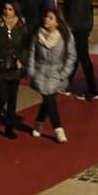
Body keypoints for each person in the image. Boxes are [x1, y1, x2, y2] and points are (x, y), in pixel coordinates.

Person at [26, 8, 77, 143]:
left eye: (50, 18)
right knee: (49, 98)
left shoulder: (65, 36)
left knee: (49, 100)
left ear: (57, 22)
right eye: (45, 17)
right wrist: (31, 71)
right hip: (40, 71)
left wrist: (64, 73)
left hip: (56, 72)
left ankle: (39, 121)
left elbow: (71, 56)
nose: (46, 20)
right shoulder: (37, 35)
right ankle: (58, 128)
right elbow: (31, 54)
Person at [60, 0, 98, 99]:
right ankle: (67, 84)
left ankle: (92, 90)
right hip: (83, 24)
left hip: (78, 26)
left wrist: (69, 26)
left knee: (82, 56)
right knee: (76, 55)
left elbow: (76, 7)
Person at [0, 0, 28, 138]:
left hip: (14, 67)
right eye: (5, 8)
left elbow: (25, 46)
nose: (7, 12)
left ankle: (9, 127)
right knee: (2, 97)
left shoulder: (21, 26)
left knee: (12, 99)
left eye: (10, 9)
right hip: (0, 67)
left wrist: (21, 60)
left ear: (15, 10)